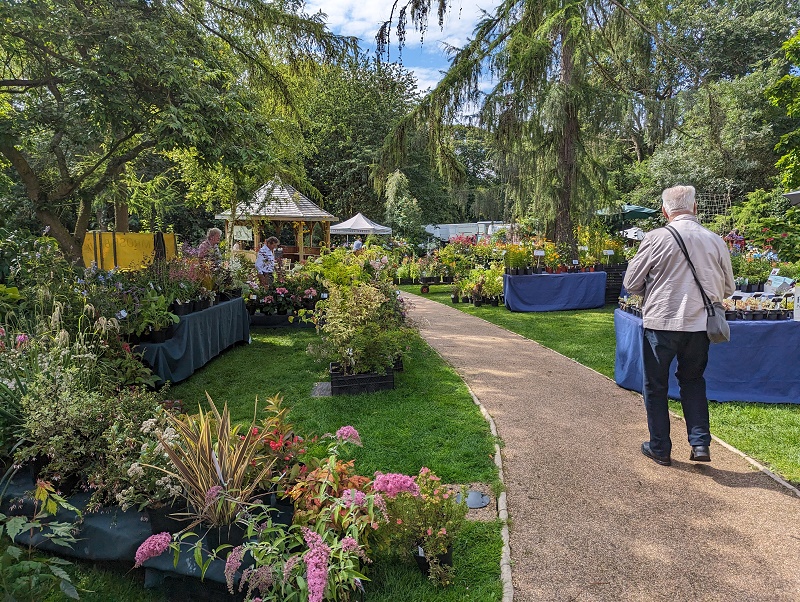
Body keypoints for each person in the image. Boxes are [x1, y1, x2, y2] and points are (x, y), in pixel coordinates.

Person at [623, 185, 734, 467]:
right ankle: (699, 444)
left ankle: (660, 447)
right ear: (695, 208)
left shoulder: (655, 238)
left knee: (656, 385)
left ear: (664, 211)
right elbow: (728, 288)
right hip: (700, 325)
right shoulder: (715, 240)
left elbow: (631, 284)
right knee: (693, 381)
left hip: (661, 322)